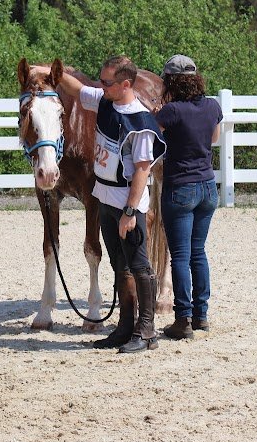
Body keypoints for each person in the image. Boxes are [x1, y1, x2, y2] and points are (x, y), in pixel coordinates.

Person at [38, 56, 166, 352]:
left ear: (125, 84)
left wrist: (131, 211)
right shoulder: (105, 101)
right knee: (119, 265)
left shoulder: (141, 121)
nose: (100, 85)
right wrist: (44, 71)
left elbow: (143, 171)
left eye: (106, 82)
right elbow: (74, 86)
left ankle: (146, 329)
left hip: (126, 201)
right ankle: (123, 326)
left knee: (139, 266)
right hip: (105, 197)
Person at [155, 55, 222, 340]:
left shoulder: (171, 111)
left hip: (180, 186)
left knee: (180, 256)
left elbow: (151, 138)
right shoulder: (212, 106)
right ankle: (201, 315)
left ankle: (182, 318)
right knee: (198, 252)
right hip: (207, 185)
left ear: (170, 81)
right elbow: (214, 139)